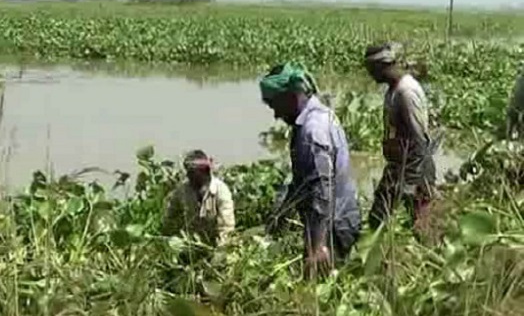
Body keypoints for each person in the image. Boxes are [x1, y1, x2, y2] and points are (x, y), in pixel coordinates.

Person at [260, 63, 361, 278]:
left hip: (332, 227)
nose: (276, 115)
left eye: (275, 105)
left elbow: (321, 189)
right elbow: (302, 181)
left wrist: (318, 246)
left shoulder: (312, 130)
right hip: (334, 221)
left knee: (322, 290)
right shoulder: (320, 115)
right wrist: (281, 213)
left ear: (290, 97)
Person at [363, 43, 437, 238]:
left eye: (371, 70)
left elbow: (420, 140)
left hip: (415, 168)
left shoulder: (406, 92)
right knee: (377, 219)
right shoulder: (393, 89)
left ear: (382, 66)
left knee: (421, 226)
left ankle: (427, 263)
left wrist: (410, 182)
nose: (370, 75)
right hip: (397, 167)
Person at [162, 150, 235, 248]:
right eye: (188, 172)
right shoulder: (182, 190)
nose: (188, 175)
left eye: (192, 172)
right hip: (192, 244)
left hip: (216, 244)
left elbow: (226, 226)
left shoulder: (220, 190)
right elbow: (170, 217)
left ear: (203, 171)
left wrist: (220, 251)